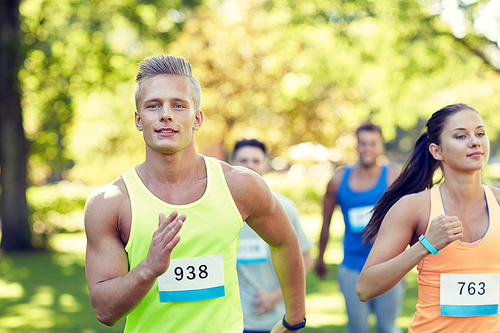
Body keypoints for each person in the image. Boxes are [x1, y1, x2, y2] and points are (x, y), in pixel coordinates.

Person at [84, 54, 307, 333]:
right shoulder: (111, 203)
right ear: (139, 120)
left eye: (178, 105)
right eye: (154, 106)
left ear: (197, 118)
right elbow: (104, 311)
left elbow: (285, 242)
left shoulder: (239, 186)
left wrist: (294, 319)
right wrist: (148, 269)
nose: (166, 114)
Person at [357, 104, 500, 332]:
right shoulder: (413, 207)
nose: (475, 141)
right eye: (461, 135)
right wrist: (426, 245)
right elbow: (365, 288)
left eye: (480, 133)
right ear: (437, 151)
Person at [315, 122, 404, 333]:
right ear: (356, 146)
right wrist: (320, 257)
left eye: (372, 143)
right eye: (362, 143)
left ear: (381, 146)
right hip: (352, 266)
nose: (367, 148)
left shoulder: (393, 177)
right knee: (357, 328)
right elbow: (325, 222)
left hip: (388, 265)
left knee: (387, 327)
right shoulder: (338, 181)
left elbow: (409, 218)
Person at [231, 139, 314, 333]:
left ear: (265, 166)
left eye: (255, 161)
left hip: (277, 321)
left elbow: (306, 257)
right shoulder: (219, 211)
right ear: (231, 164)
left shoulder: (283, 208)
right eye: (243, 160)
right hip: (233, 321)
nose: (249, 166)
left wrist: (275, 296)